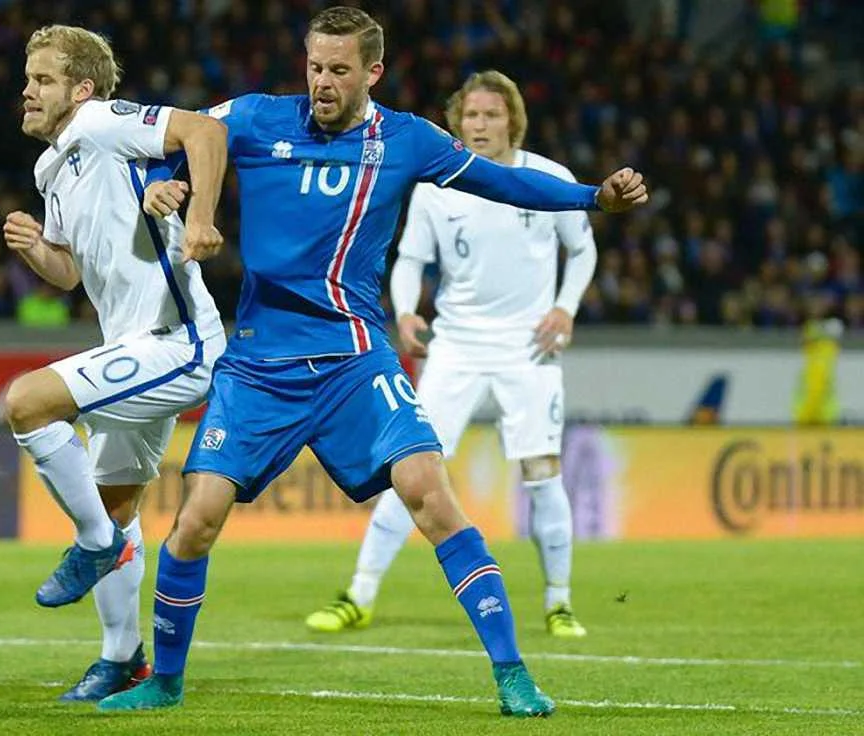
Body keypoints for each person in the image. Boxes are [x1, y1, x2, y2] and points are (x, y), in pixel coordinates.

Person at [100, 6, 646, 718]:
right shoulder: (257, 117)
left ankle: (514, 674)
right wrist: (164, 183)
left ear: (373, 73)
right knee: (197, 518)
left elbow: (499, 181)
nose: (322, 83)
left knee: (431, 496)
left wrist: (591, 198)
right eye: (314, 67)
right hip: (260, 364)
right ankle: (166, 681)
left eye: (339, 70)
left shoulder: (407, 139)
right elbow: (179, 141)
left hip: (354, 361)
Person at [304, 71, 595, 640]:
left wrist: (565, 308)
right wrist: (406, 312)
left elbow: (582, 250)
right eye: (470, 116)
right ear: (457, 122)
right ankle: (359, 593)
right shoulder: (438, 188)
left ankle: (559, 602)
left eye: (491, 115)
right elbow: (411, 260)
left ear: (513, 121)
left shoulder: (548, 178)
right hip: (456, 346)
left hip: (528, 348)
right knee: (410, 465)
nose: (479, 125)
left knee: (541, 471)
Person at [0, 24, 228, 701]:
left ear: (82, 89)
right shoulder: (50, 167)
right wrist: (36, 250)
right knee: (116, 501)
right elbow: (69, 273)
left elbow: (204, 133)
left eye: (42, 79)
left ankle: (95, 543)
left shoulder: (101, 123)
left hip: (178, 340)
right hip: (130, 345)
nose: (27, 90)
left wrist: (200, 218)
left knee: (26, 403)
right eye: (28, 78)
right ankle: (122, 658)